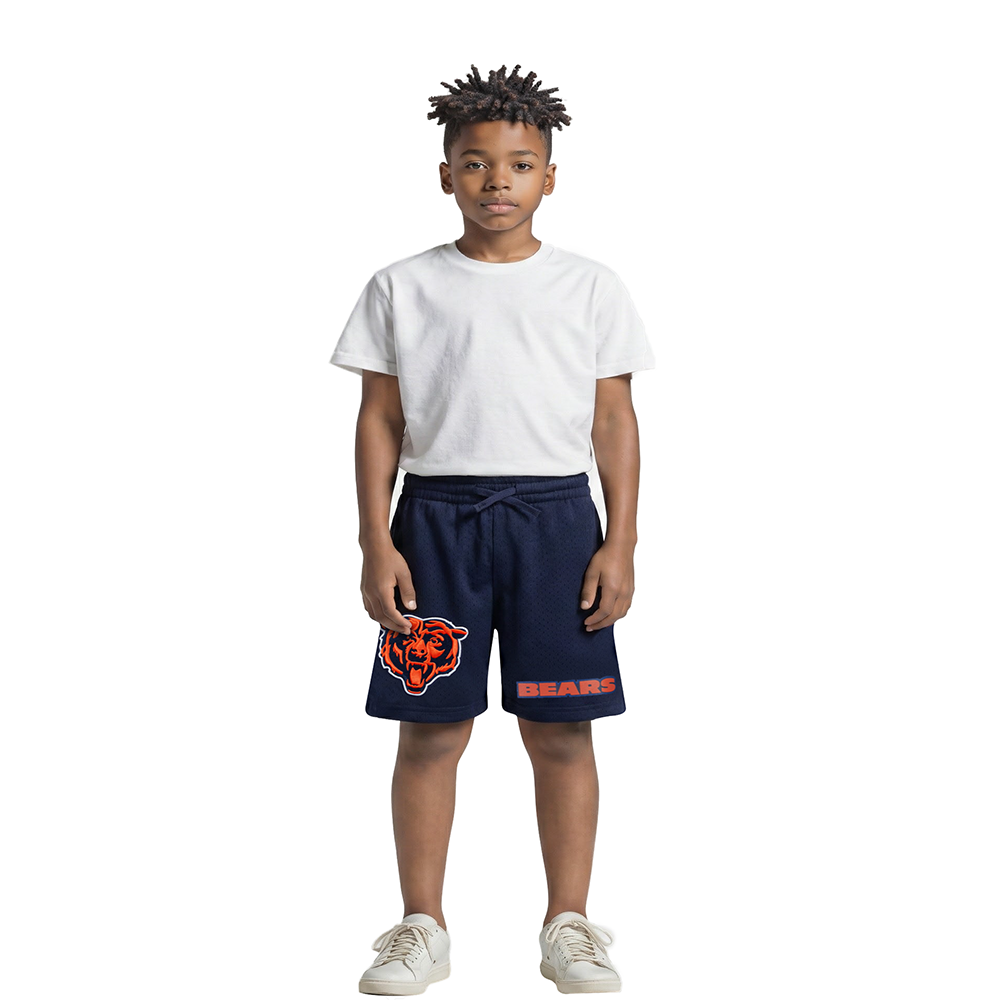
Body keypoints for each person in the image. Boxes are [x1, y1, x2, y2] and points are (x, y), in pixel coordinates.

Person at [329, 63, 655, 996]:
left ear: (550, 176)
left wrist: (621, 541)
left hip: (557, 524)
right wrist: (376, 541)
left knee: (562, 729)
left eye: (518, 164)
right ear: (446, 175)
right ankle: (421, 926)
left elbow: (614, 419)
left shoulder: (590, 287)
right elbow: (380, 419)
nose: (496, 181)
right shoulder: (403, 286)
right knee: (430, 733)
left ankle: (568, 924)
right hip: (435, 524)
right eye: (475, 163)